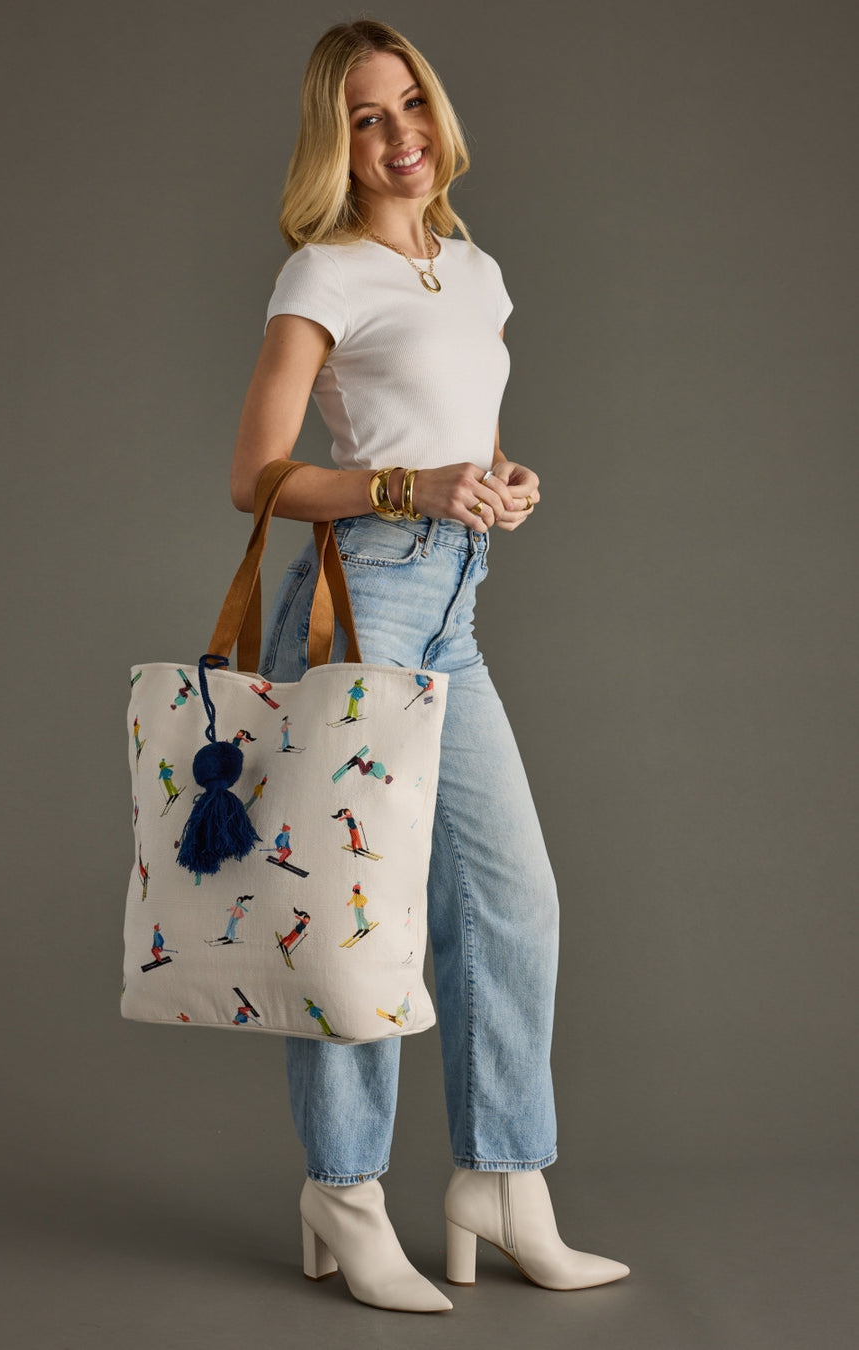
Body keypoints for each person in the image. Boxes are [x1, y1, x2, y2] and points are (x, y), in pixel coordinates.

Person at [229, 18, 630, 1314]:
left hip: (454, 598)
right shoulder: (322, 276)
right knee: (352, 919)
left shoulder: (475, 268)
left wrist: (501, 483)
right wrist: (413, 483)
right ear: (331, 138)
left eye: (409, 106)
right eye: (364, 117)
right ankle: (345, 1193)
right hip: (359, 606)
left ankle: (502, 1181)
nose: (398, 135)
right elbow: (259, 475)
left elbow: (469, 435)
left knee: (513, 897)